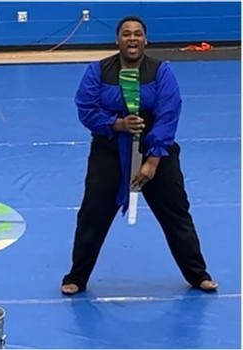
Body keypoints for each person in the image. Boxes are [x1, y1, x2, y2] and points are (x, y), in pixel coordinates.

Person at [61, 16, 218, 295]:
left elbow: (169, 114)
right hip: (109, 152)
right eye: (126, 34)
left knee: (176, 215)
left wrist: (153, 160)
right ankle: (76, 277)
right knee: (92, 215)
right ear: (117, 40)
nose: (132, 39)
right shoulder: (98, 71)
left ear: (146, 40)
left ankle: (198, 275)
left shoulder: (161, 71)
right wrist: (116, 124)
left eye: (137, 34)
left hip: (156, 151)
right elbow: (86, 108)